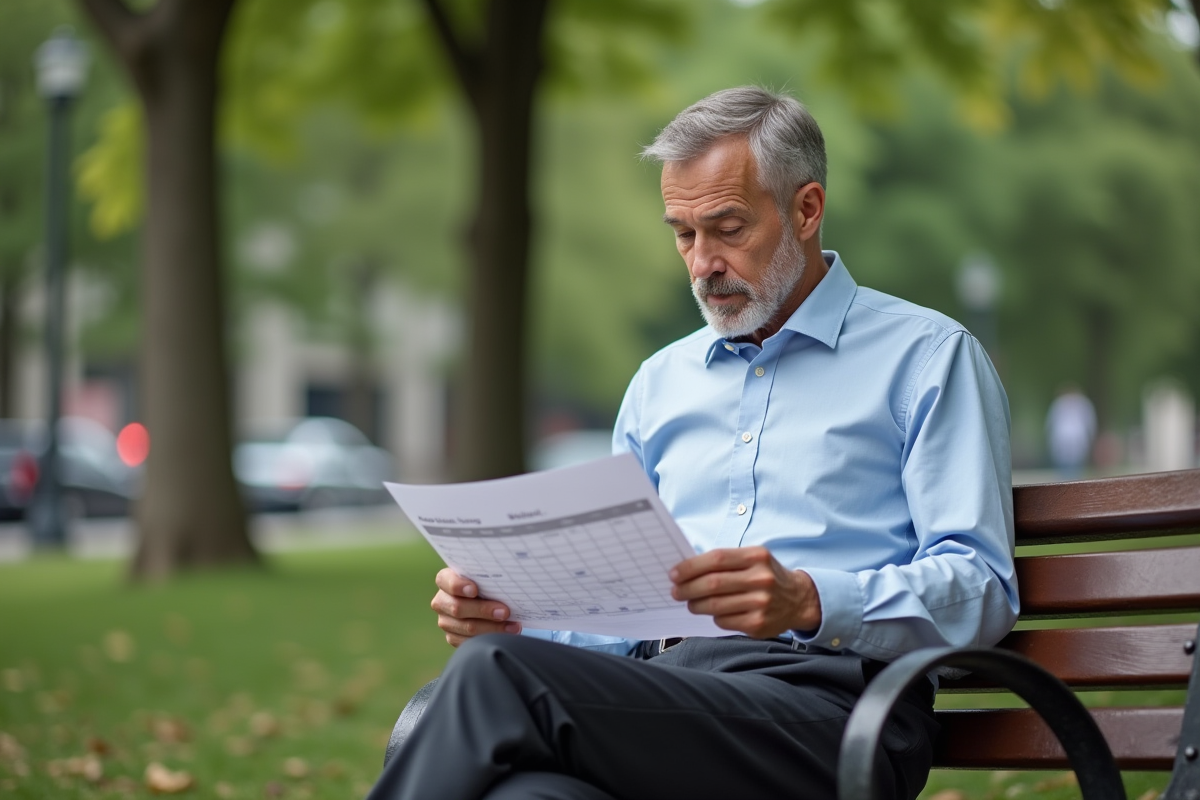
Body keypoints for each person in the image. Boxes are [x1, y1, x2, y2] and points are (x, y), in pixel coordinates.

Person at [366, 87, 1018, 800]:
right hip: (663, 697)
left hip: (836, 713)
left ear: (806, 209)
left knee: (497, 678)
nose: (703, 262)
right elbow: (617, 616)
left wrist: (810, 600)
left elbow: (982, 588)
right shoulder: (659, 383)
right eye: (683, 234)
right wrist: (513, 620)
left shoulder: (927, 358)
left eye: (727, 228)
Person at [1045, 385, 1096, 479]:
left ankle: (1066, 478)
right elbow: (1090, 421)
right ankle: (1071, 478)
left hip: (1066, 435)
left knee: (1067, 459)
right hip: (1073, 435)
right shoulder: (1082, 402)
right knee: (1072, 460)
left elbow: (1050, 422)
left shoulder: (1060, 402)